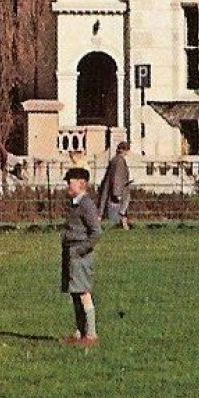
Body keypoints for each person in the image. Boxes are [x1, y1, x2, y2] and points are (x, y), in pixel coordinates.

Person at [60, 167, 103, 347]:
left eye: (71, 182)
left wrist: (81, 250)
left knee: (83, 292)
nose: (68, 185)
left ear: (81, 183)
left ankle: (91, 335)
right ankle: (80, 333)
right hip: (72, 253)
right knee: (75, 293)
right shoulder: (75, 203)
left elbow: (96, 232)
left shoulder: (86, 205)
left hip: (80, 255)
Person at [96, 140, 132, 230]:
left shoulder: (114, 159)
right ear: (124, 150)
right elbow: (117, 177)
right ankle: (124, 225)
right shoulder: (120, 161)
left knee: (102, 207)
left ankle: (124, 225)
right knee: (123, 206)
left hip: (110, 186)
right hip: (120, 189)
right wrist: (117, 193)